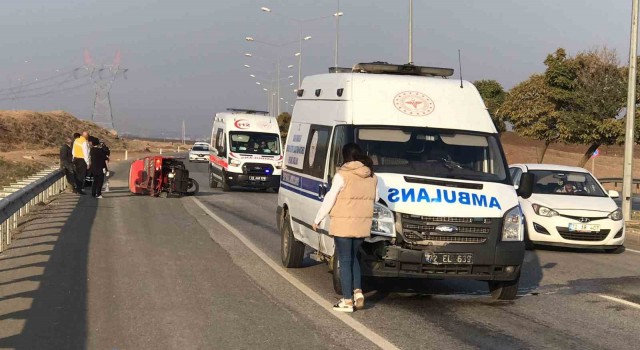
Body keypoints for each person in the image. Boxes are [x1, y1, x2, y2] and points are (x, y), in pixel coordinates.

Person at [312, 143, 378, 313]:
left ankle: (347, 301)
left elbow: (330, 198)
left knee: (345, 260)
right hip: (362, 225)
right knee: (354, 258)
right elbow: (375, 198)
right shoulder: (372, 176)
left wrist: (318, 219)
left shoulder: (342, 175)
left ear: (345, 156)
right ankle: (358, 293)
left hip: (343, 224)